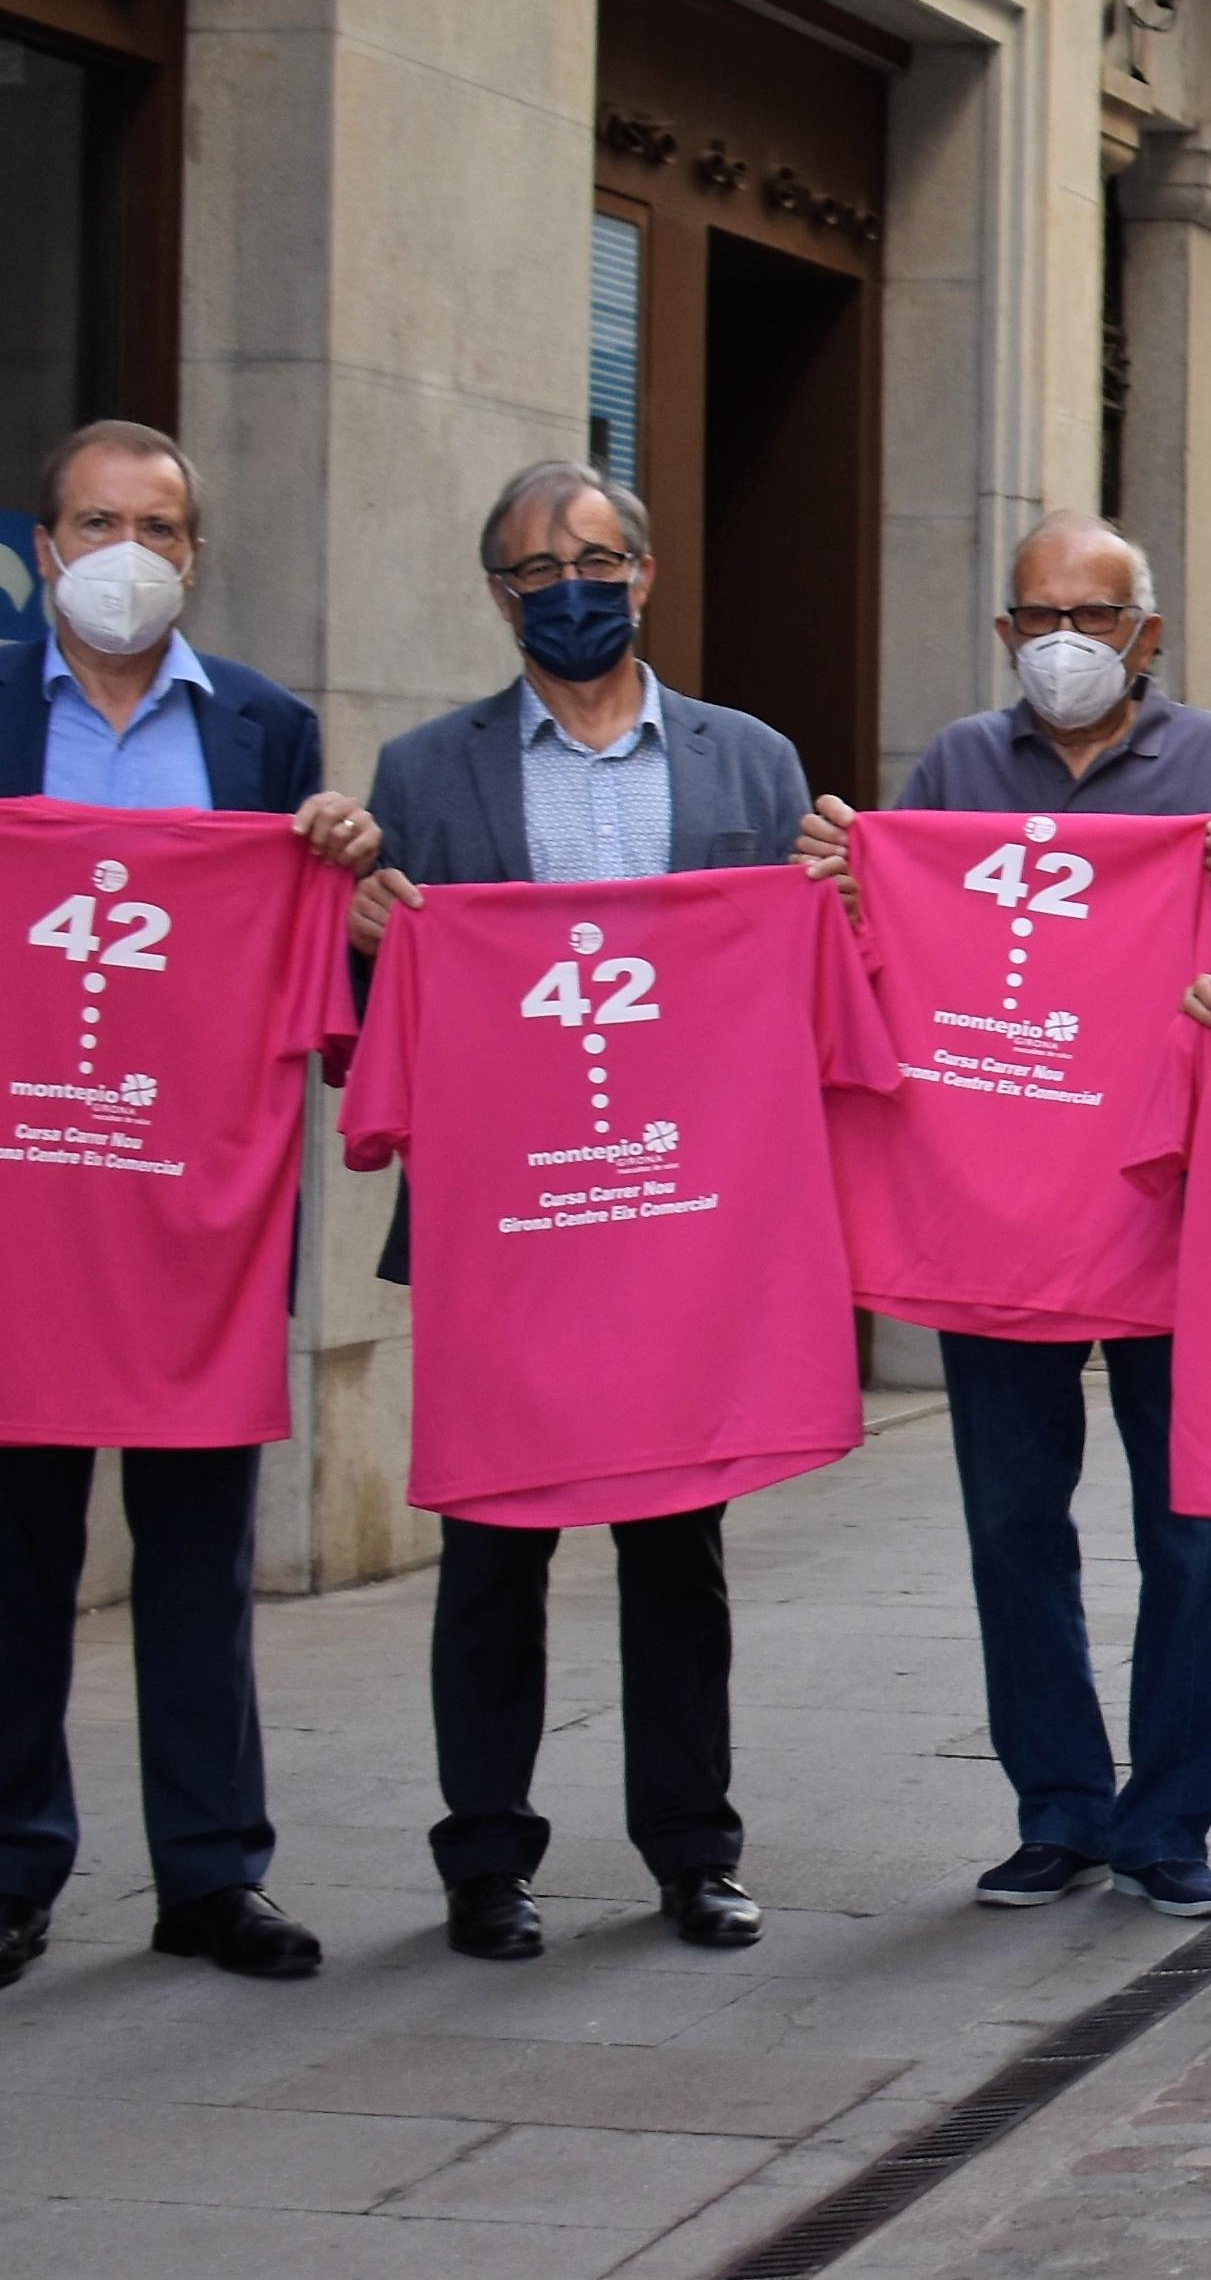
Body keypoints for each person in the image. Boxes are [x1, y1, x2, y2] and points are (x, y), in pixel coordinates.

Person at [349, 463, 811, 1958]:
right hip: (508, 1237)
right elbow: (390, 1016)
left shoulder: (751, 766)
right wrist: (363, 935)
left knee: (679, 1551)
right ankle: (486, 1859)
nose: (573, 584)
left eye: (600, 558)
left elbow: (790, 994)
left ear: (649, 575)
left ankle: (693, 1850)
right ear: (498, 594)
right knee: (494, 1555)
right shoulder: (423, 774)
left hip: (680, 1233)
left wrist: (851, 895)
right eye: (541, 564)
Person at [785, 515, 1211, 1925]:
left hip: (1170, 1206)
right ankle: (1056, 1810)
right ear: (1005, 634)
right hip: (990, 1213)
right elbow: (883, 956)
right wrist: (843, 881)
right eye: (1040, 615)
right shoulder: (952, 769)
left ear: (1151, 634)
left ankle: (1170, 1821)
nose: (1068, 641)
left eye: (1097, 615)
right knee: (1013, 1524)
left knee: (1193, 1528)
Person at [0, 423, 382, 1990]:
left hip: (196, 1218)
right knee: (15, 1562)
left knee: (200, 1559)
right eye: (98, 522)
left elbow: (325, 953)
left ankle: (213, 1878)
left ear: (197, 556)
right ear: (42, 548)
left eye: (160, 527)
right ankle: (16, 1869)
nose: (127, 554)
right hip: (24, 1210)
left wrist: (347, 868)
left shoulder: (265, 734)